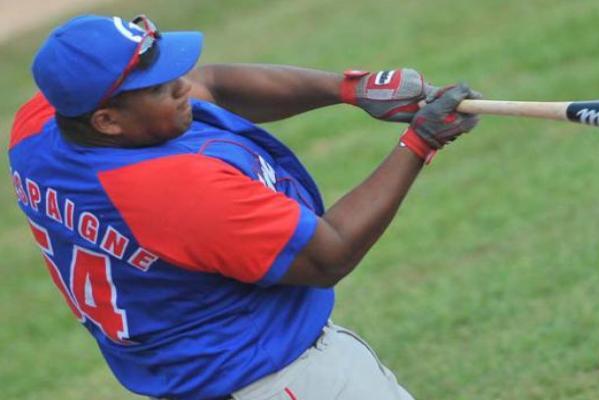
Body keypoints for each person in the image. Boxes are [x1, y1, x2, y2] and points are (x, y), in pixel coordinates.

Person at [8, 14, 479, 400]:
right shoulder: (171, 190)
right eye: (157, 88)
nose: (181, 85)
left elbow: (212, 83)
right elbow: (328, 254)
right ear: (107, 121)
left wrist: (350, 89)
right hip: (279, 382)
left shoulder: (40, 129)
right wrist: (421, 140)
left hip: (196, 375)